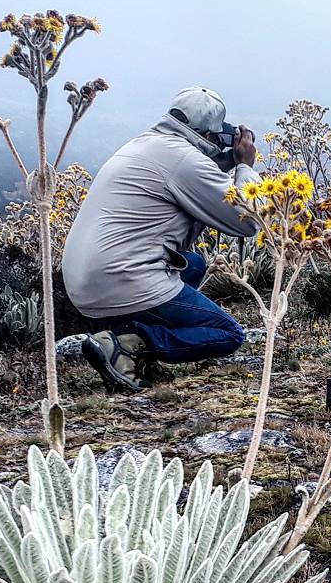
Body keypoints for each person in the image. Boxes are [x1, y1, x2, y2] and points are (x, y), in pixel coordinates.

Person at [61, 86, 261, 392]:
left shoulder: (148, 144)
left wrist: (227, 161)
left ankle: (126, 340)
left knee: (192, 264)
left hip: (85, 281)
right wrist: (245, 165)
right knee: (227, 333)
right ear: (206, 134)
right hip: (121, 279)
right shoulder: (184, 160)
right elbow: (246, 220)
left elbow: (189, 176)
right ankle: (133, 344)